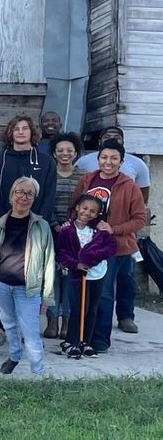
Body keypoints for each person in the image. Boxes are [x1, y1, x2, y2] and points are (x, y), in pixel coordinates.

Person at [70, 140, 147, 346]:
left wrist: (114, 229)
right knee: (87, 294)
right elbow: (74, 207)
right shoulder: (87, 180)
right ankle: (81, 337)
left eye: (114, 158)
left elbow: (140, 219)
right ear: (98, 159)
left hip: (114, 248)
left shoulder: (129, 186)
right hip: (86, 246)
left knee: (104, 295)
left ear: (121, 162)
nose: (108, 162)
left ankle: (100, 341)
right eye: (104, 157)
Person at [0, 177, 55, 375]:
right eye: (20, 192)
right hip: (1, 285)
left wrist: (47, 295)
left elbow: (48, 263)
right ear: (12, 195)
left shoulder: (42, 226)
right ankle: (14, 355)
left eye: (29, 193)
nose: (24, 197)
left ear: (34, 198)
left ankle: (38, 373)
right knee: (10, 325)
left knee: (30, 333)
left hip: (27, 288)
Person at [55, 194, 116, 358]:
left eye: (92, 211)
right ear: (77, 208)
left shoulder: (100, 230)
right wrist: (76, 264)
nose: (87, 213)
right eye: (85, 208)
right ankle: (71, 341)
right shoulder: (67, 230)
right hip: (78, 275)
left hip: (98, 273)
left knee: (92, 308)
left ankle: (85, 341)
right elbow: (61, 253)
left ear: (97, 214)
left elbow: (111, 248)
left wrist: (91, 257)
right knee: (78, 308)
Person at [45, 131, 85, 339]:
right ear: (53, 153)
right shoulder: (48, 174)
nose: (65, 154)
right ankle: (52, 320)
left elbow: (86, 204)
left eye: (69, 150)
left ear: (76, 153)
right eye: (60, 150)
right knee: (52, 277)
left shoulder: (83, 177)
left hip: (76, 233)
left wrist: (72, 225)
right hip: (51, 233)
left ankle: (67, 321)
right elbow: (44, 202)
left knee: (70, 277)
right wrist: (55, 224)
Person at [0, 115, 55, 218]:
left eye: (25, 128)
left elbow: (49, 196)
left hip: (37, 223)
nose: (20, 132)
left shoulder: (46, 161)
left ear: (31, 132)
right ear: (10, 133)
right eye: (16, 129)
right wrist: (3, 220)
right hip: (6, 222)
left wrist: (41, 222)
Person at [76, 126, 151, 200]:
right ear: (99, 141)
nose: (112, 139)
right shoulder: (84, 161)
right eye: (107, 137)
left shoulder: (138, 163)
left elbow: (143, 193)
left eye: (117, 137)